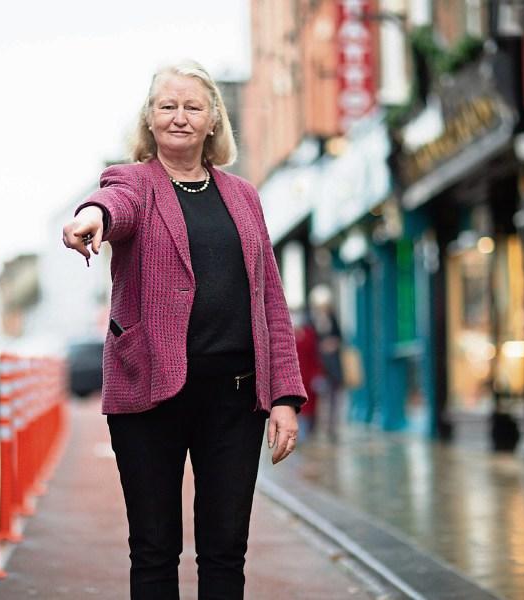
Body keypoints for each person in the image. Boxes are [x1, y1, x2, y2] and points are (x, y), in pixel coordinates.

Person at [61, 60, 307, 600]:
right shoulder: (132, 181)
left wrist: (284, 396)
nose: (179, 117)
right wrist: (91, 217)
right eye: (167, 106)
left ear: (214, 119)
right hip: (151, 393)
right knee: (153, 549)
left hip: (234, 399)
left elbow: (271, 301)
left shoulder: (244, 196)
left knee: (225, 552)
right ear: (149, 118)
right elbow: (113, 206)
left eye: (193, 106)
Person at [308, 285, 344, 441]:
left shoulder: (333, 319)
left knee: (334, 397)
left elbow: (340, 337)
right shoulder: (312, 320)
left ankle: (332, 427)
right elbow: (310, 341)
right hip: (319, 365)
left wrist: (333, 343)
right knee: (319, 396)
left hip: (333, 365)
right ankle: (316, 426)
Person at [291, 307, 322, 441]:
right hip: (293, 380)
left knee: (310, 407)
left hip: (309, 378)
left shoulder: (309, 334)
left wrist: (318, 374)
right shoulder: (288, 335)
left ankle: (308, 433)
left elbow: (316, 356)